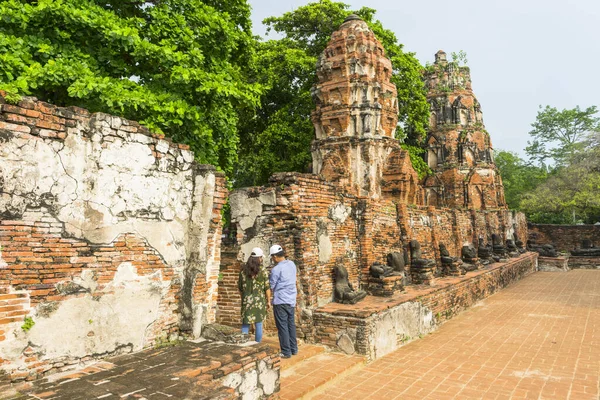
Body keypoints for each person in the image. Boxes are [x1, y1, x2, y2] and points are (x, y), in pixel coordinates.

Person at [269, 244, 298, 359]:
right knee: (291, 325)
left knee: (282, 327)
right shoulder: (292, 264)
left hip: (280, 300)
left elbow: (272, 285)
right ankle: (293, 348)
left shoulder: (276, 269)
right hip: (291, 299)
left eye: (272, 257)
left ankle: (286, 351)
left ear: (275, 257)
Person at [238, 247, 271, 342]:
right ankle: (258, 344)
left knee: (245, 323)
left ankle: (243, 343)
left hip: (246, 300)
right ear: (259, 258)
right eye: (261, 257)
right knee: (259, 324)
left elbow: (240, 287)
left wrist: (243, 298)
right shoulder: (262, 270)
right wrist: (268, 301)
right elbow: (267, 287)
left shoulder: (243, 270)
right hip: (259, 301)